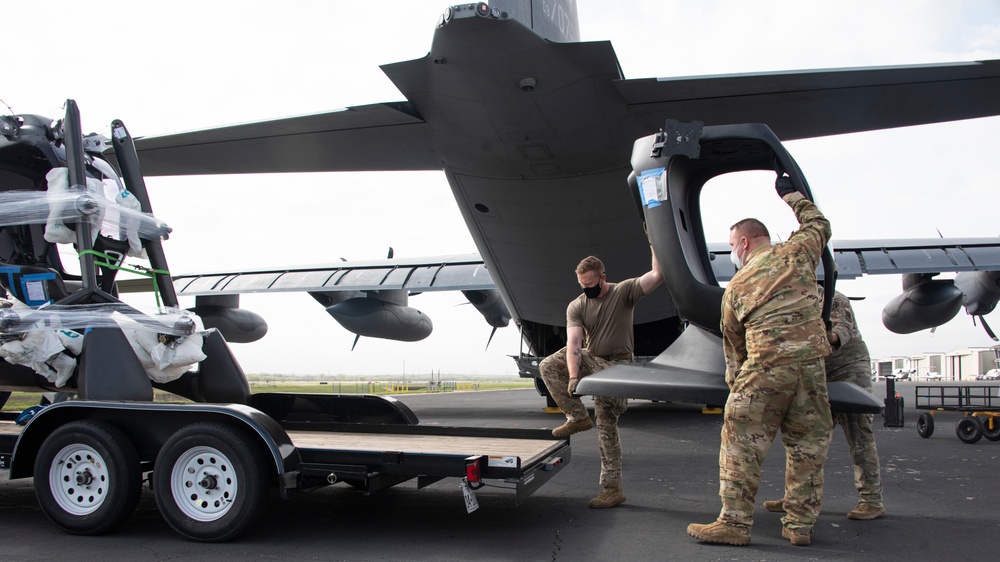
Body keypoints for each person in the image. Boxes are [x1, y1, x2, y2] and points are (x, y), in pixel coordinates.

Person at [687, 175, 833, 547]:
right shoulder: (797, 252)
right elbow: (819, 225)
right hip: (812, 369)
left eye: (733, 244)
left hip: (766, 369)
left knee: (740, 442)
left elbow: (733, 343)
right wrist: (792, 195)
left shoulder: (737, 286)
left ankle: (734, 523)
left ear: (745, 243)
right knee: (807, 447)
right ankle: (799, 527)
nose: (733, 251)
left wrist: (737, 384)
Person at [539, 249, 662, 509]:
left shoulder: (624, 291)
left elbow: (657, 275)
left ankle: (612, 487)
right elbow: (574, 343)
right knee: (549, 365)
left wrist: (654, 243)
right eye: (582, 285)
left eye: (591, 284)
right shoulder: (577, 305)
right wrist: (573, 377)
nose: (587, 290)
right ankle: (577, 417)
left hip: (619, 367)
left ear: (602, 278)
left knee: (607, 425)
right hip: (592, 361)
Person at [763, 288, 886, 520]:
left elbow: (843, 330)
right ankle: (798, 498)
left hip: (849, 371)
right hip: (820, 373)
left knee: (859, 436)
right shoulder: (789, 299)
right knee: (807, 440)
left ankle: (871, 501)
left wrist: (821, 336)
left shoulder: (831, 298)